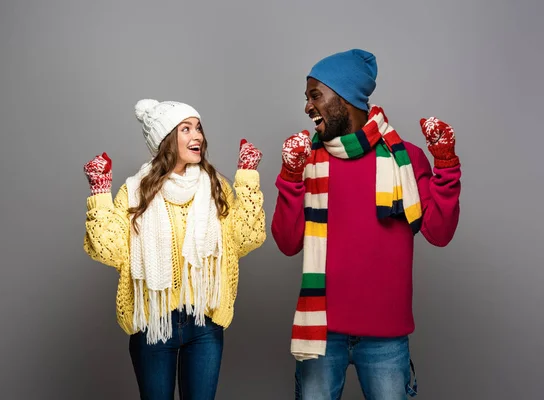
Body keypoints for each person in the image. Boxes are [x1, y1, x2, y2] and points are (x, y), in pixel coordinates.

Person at [271, 49, 461, 399]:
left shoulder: (406, 158)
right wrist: (290, 178)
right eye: (307, 97)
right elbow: (286, 242)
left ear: (344, 98)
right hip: (320, 334)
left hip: (387, 336)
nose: (307, 107)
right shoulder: (308, 160)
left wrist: (445, 165)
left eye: (316, 95)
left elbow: (439, 231)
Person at [82, 99, 266, 400]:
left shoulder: (216, 185)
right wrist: (100, 193)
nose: (198, 136)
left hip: (204, 324)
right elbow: (110, 251)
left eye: (198, 128)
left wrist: (247, 177)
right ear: (166, 139)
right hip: (153, 324)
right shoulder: (135, 191)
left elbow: (247, 237)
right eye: (186, 128)